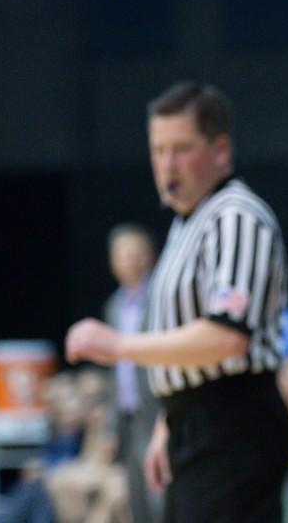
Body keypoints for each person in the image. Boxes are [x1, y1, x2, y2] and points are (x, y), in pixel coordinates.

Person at [65, 81, 288, 523]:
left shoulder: (236, 217)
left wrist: (119, 346)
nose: (167, 164)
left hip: (234, 423)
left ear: (220, 149)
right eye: (158, 150)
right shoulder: (185, 225)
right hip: (191, 420)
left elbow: (226, 337)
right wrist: (167, 422)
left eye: (181, 149)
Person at [104, 223, 162, 523]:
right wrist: (111, 428)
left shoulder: (163, 297)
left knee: (160, 500)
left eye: (136, 254)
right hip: (128, 417)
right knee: (136, 502)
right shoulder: (114, 306)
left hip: (157, 413)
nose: (130, 261)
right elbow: (115, 373)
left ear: (150, 257)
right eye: (123, 255)